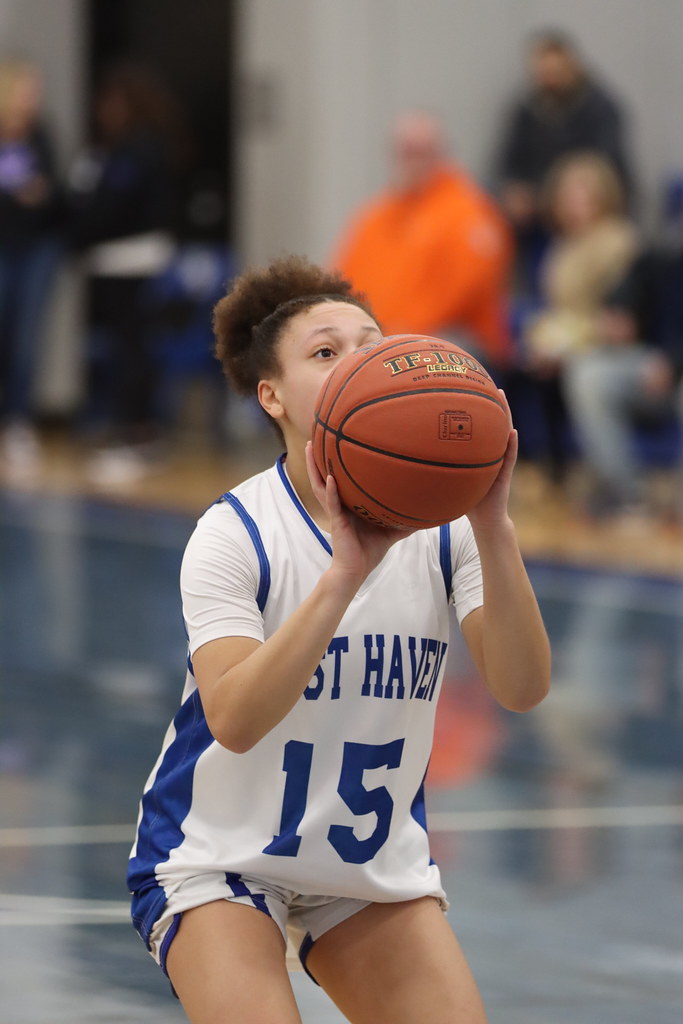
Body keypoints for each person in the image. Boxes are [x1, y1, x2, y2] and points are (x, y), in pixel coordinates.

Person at [127, 254, 551, 1023]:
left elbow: (521, 689)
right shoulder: (233, 533)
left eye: (370, 341)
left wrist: (493, 525)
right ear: (273, 397)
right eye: (325, 351)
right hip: (219, 855)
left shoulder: (449, 533)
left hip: (361, 867)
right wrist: (341, 580)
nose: (356, 359)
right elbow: (235, 720)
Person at [67, 60, 184, 485]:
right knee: (126, 351)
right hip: (121, 261)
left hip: (134, 262)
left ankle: (141, 436)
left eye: (111, 101)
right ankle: (132, 430)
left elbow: (114, 205)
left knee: (134, 352)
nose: (105, 110)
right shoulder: (131, 146)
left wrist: (77, 230)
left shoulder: (138, 147)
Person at [331, 111, 514, 371]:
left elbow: (465, 291)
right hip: (380, 339)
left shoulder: (471, 213)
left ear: (441, 154)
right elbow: (341, 281)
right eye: (406, 152)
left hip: (452, 342)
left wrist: (397, 333)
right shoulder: (374, 217)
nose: (413, 161)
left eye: (422, 152)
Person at [518, 151, 639, 483]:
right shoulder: (561, 248)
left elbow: (619, 316)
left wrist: (565, 343)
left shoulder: (618, 242)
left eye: (583, 196)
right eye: (567, 196)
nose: (574, 205)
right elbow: (556, 308)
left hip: (614, 344)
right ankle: (550, 472)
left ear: (602, 198)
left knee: (569, 370)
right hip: (572, 335)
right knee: (528, 365)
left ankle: (611, 484)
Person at [496, 31, 634, 295]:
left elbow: (604, 169)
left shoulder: (601, 109)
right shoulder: (527, 109)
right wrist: (515, 190)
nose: (550, 79)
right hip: (540, 212)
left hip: (591, 206)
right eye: (543, 71)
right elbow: (509, 162)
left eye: (556, 71)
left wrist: (572, 194)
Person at [562, 247, 683, 519]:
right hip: (651, 363)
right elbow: (636, 279)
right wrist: (621, 310)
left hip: (673, 363)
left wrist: (674, 363)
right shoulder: (665, 254)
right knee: (588, 374)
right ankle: (627, 493)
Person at [0, 57, 63, 477]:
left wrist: (38, 193)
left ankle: (17, 421)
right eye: (27, 89)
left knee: (25, 338)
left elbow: (57, 189)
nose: (33, 98)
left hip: (37, 246)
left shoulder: (41, 135)